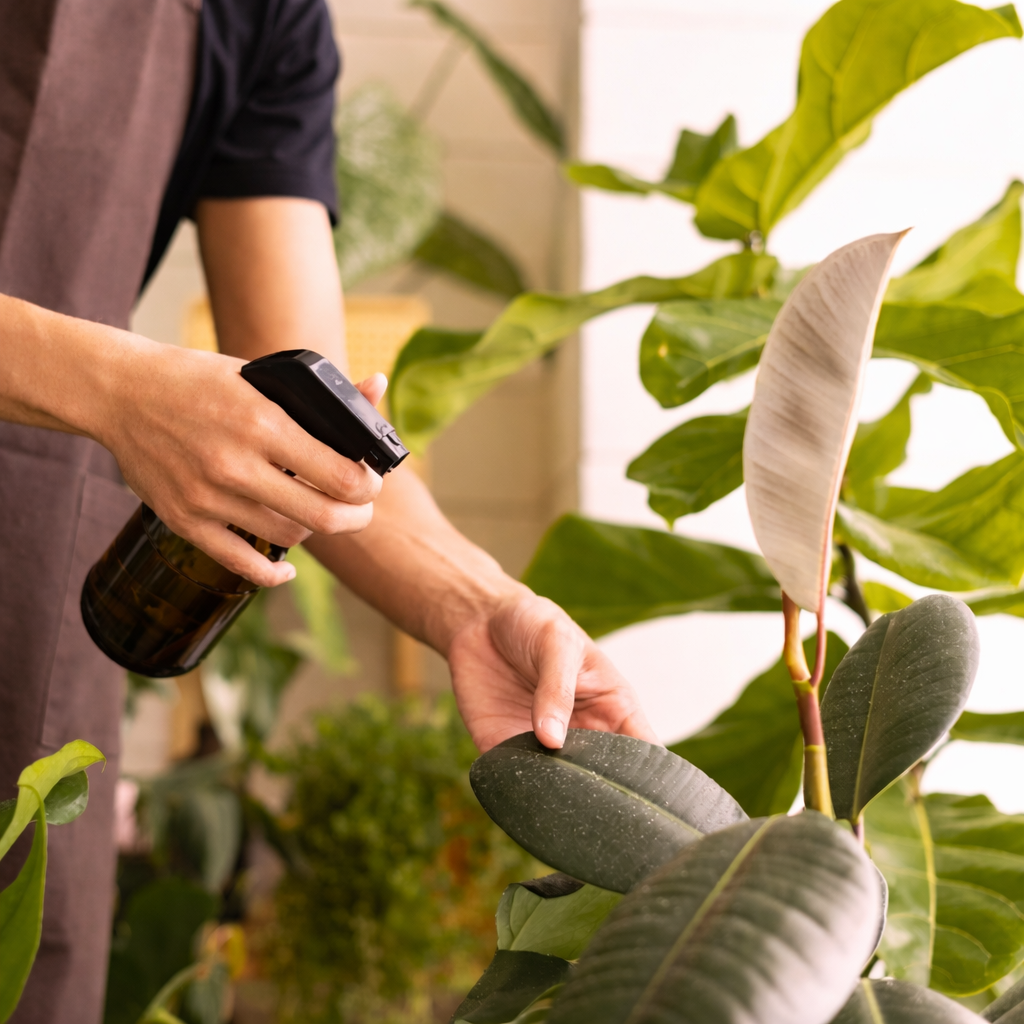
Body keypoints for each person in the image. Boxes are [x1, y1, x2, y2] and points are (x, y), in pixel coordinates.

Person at [0, 0, 654, 1020]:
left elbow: (319, 440)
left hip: (24, 596)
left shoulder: (264, 18)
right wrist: (116, 388)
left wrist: (475, 607)